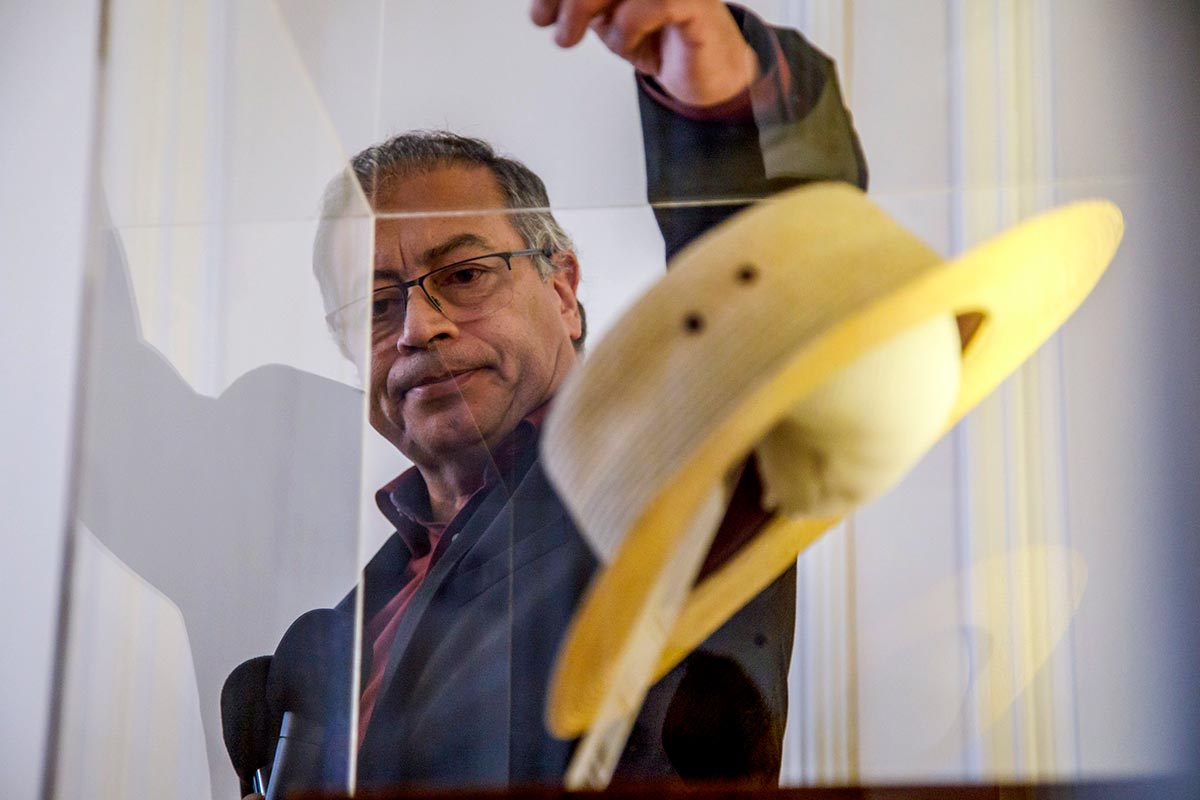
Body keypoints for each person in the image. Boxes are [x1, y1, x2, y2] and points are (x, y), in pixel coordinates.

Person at [249, 1, 866, 794]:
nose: (417, 327)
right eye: (375, 304)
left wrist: (717, 99)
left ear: (563, 287)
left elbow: (762, 329)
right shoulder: (329, 641)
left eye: (464, 275)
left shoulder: (655, 483)